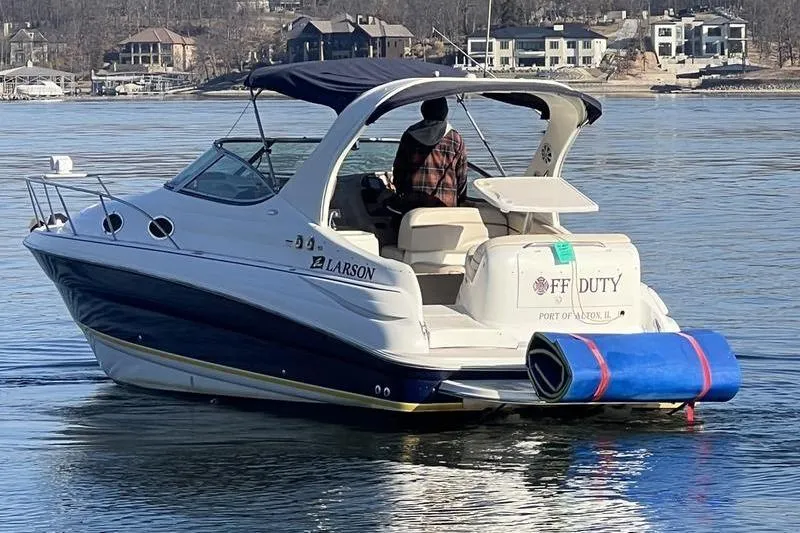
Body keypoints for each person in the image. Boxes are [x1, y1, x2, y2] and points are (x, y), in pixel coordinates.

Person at [385, 98, 468, 224]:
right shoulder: (455, 138)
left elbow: (399, 170)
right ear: (444, 112)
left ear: (424, 111)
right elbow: (462, 177)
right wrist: (461, 202)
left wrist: (400, 191)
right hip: (445, 208)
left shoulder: (410, 134)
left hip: (412, 208)